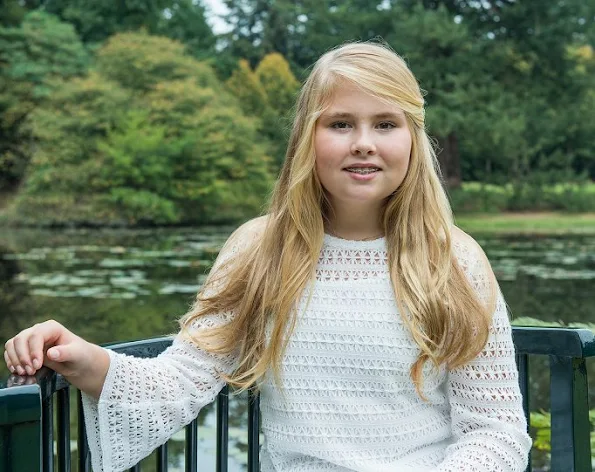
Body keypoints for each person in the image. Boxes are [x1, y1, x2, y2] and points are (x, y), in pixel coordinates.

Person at [3, 42, 532, 472]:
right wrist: (83, 357)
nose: (364, 143)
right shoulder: (259, 249)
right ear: (308, 138)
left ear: (413, 139)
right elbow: (182, 378)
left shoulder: (455, 259)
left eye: (386, 124)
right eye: (340, 123)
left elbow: (495, 430)